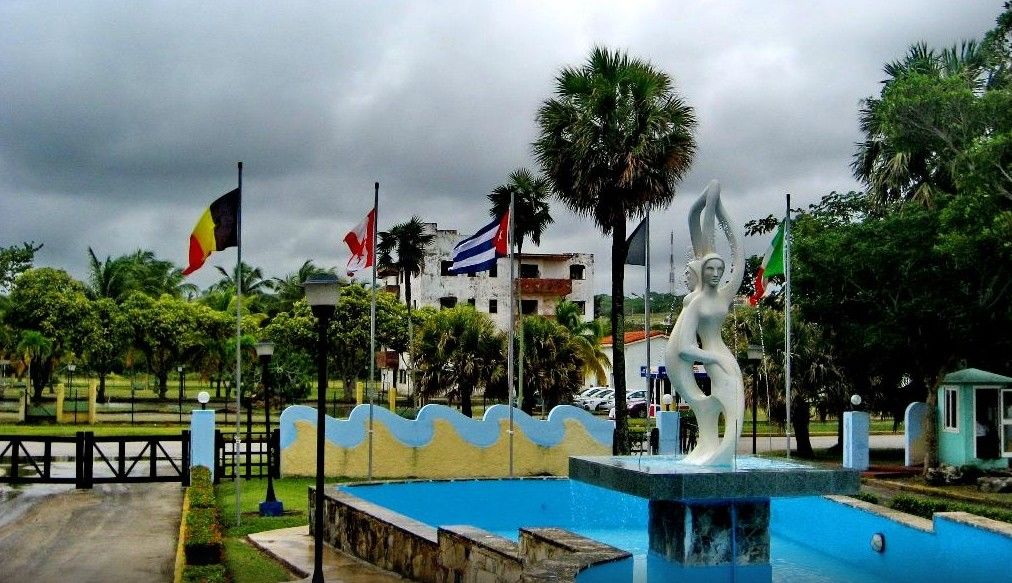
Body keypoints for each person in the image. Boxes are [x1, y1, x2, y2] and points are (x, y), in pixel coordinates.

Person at [664, 180, 745, 465]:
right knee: (705, 404)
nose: (715, 272)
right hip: (711, 356)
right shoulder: (696, 302)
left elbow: (740, 260)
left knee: (732, 402)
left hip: (722, 356)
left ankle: (719, 455)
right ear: (702, 270)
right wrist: (708, 202)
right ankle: (708, 450)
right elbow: (685, 348)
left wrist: (720, 212)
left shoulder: (723, 296)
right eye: (709, 268)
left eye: (719, 269)